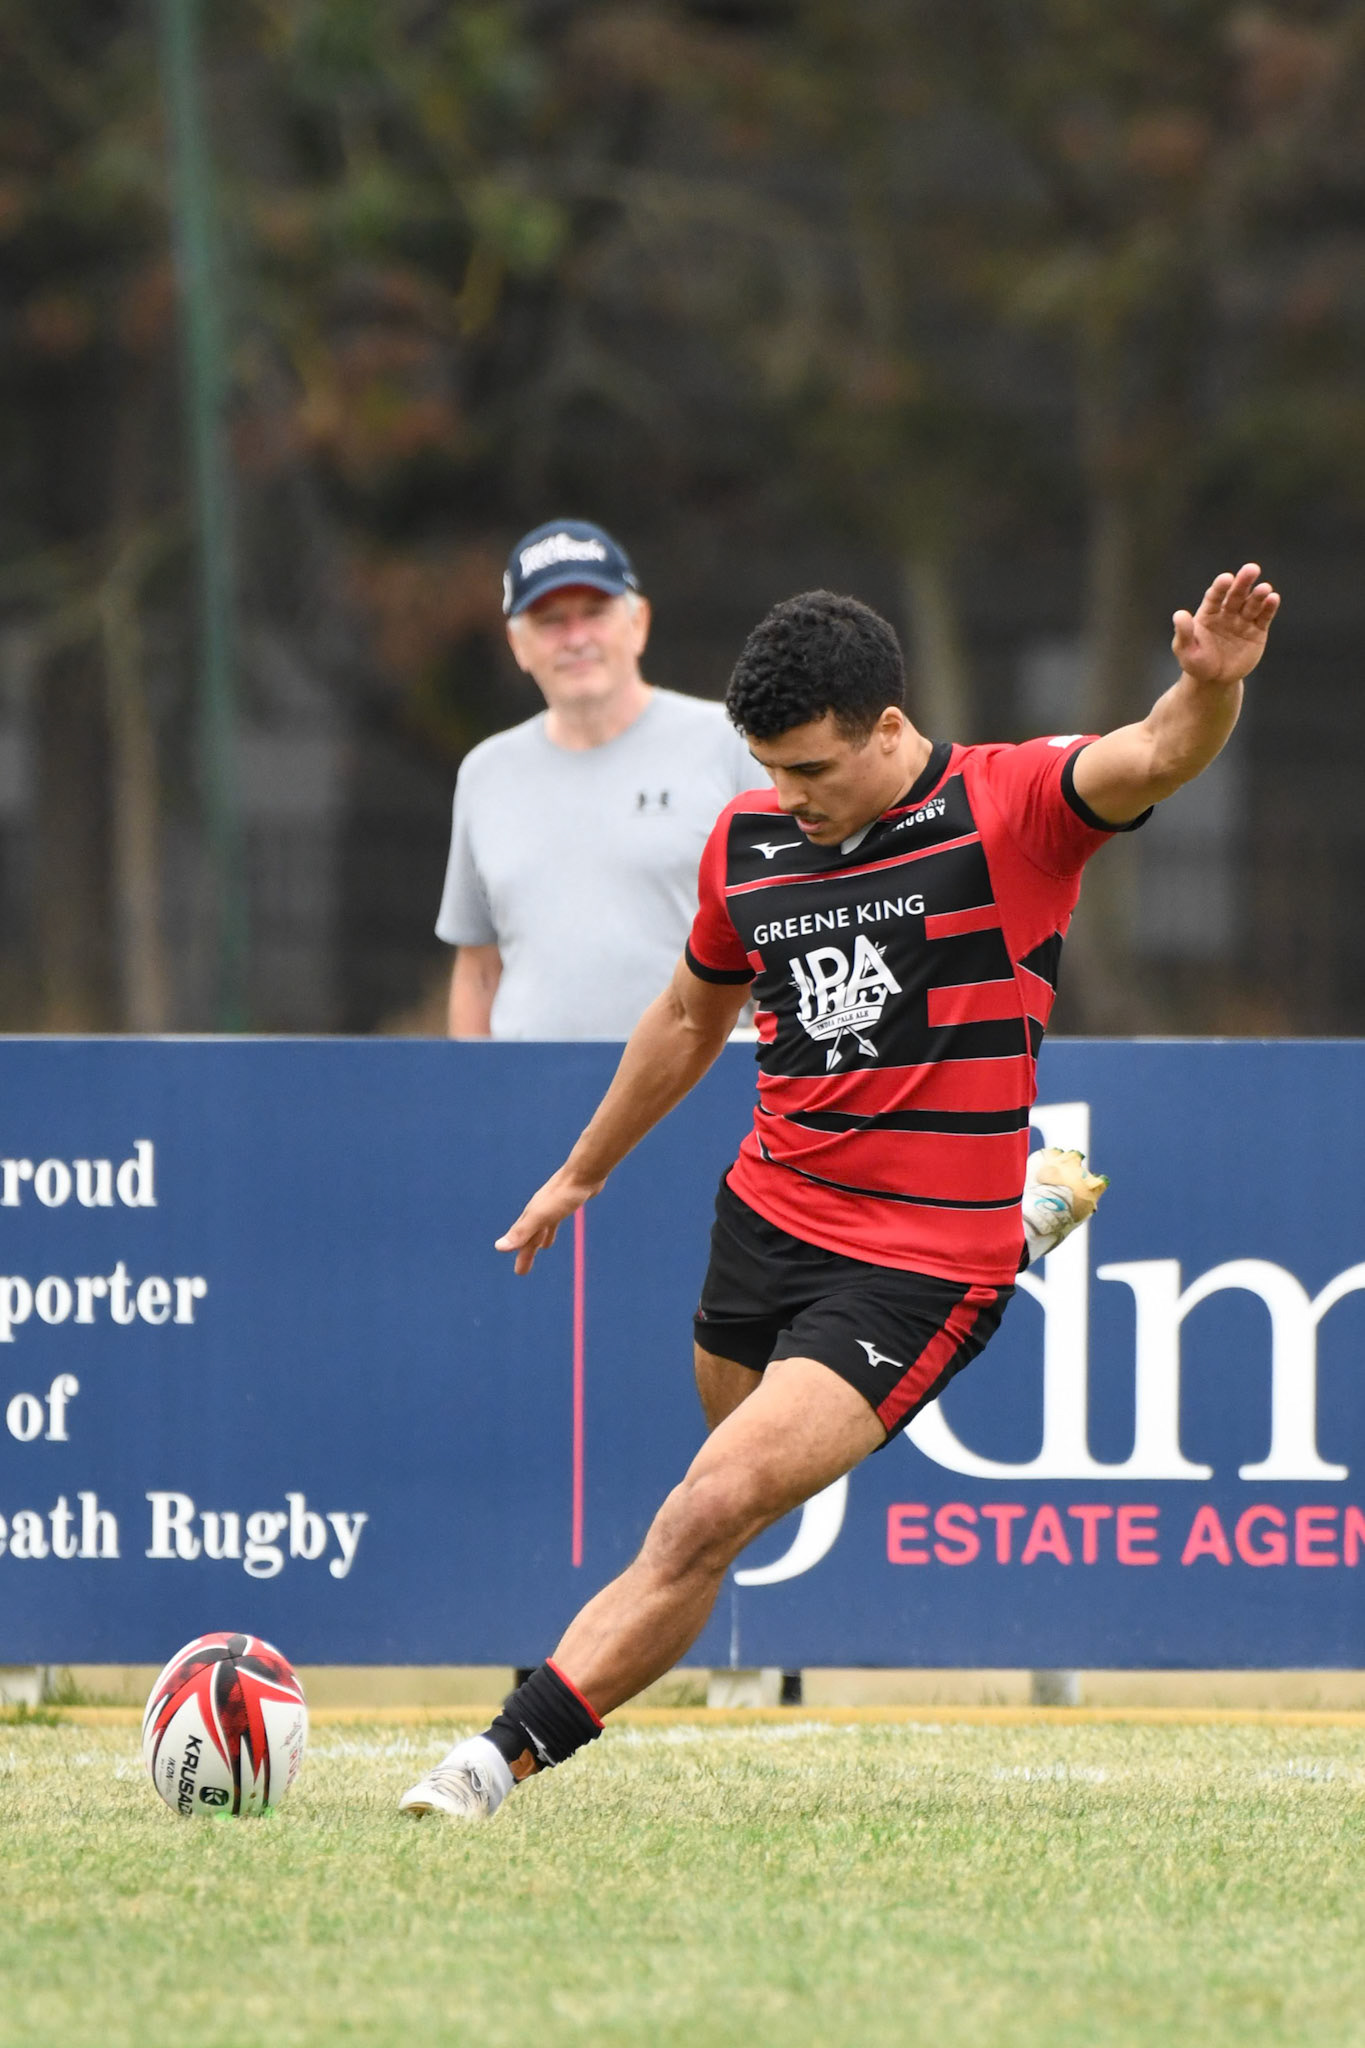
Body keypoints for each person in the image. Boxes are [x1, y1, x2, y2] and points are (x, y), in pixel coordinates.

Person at [401, 562, 1279, 1821]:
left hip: (920, 1261)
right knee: (727, 1492)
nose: (786, 797)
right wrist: (581, 1171)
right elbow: (687, 1016)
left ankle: (489, 1760)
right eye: (767, 768)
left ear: (887, 727)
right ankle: (1023, 1221)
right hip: (765, 1217)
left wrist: (1210, 690)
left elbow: (1151, 753)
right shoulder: (748, 842)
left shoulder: (1008, 807)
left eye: (809, 769)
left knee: (706, 1507)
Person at [436, 518, 756, 1040]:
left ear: (639, 623)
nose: (576, 637)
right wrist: (472, 1101)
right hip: (533, 1097)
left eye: (595, 612)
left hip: (699, 1089)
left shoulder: (732, 743)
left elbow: (795, 930)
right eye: (550, 620)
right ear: (518, 645)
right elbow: (478, 967)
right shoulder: (485, 773)